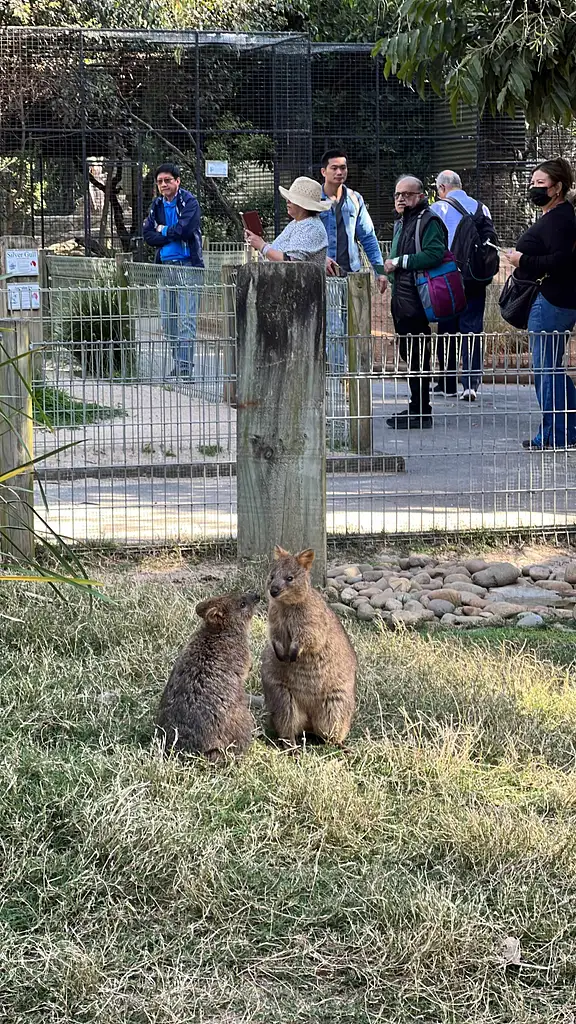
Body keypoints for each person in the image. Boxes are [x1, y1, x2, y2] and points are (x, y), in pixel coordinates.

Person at [506, 158, 576, 450]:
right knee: (549, 368)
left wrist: (523, 260)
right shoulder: (555, 215)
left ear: (557, 187)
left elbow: (561, 262)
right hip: (554, 300)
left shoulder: (560, 218)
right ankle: (561, 430)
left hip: (553, 302)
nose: (533, 188)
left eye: (540, 183)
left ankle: (556, 434)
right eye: (532, 182)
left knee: (546, 370)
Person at [383, 175, 448, 429]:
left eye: (407, 194)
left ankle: (422, 411)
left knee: (418, 355)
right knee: (410, 355)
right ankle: (416, 406)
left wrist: (400, 263)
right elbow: (395, 256)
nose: (401, 198)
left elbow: (434, 253)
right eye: (398, 194)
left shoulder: (429, 220)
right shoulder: (403, 222)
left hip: (418, 300)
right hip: (403, 298)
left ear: (421, 196)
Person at [431, 170, 499, 401]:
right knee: (472, 328)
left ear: (442, 188)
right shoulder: (481, 208)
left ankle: (447, 382)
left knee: (446, 329)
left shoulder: (438, 208)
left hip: (447, 277)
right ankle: (471, 384)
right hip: (474, 277)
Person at [143, 162, 203, 376]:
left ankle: (186, 369)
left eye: (168, 180)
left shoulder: (189, 202)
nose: (164, 184)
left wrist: (163, 230)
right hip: (165, 268)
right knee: (168, 322)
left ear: (177, 181)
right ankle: (179, 363)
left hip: (188, 267)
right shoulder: (157, 205)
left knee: (186, 320)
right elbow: (148, 235)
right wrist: (169, 232)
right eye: (160, 181)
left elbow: (185, 230)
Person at [319, 149, 386, 291]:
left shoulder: (355, 199)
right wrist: (318, 260)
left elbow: (368, 237)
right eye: (334, 168)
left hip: (352, 275)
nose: (339, 172)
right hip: (322, 275)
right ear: (323, 172)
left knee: (354, 313)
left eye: (343, 168)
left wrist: (380, 271)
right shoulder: (313, 200)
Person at [244, 176, 331, 264]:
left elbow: (291, 262)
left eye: (293, 199)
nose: (288, 201)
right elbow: (278, 253)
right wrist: (257, 241)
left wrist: (262, 246)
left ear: (304, 205)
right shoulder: (295, 223)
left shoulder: (311, 227)